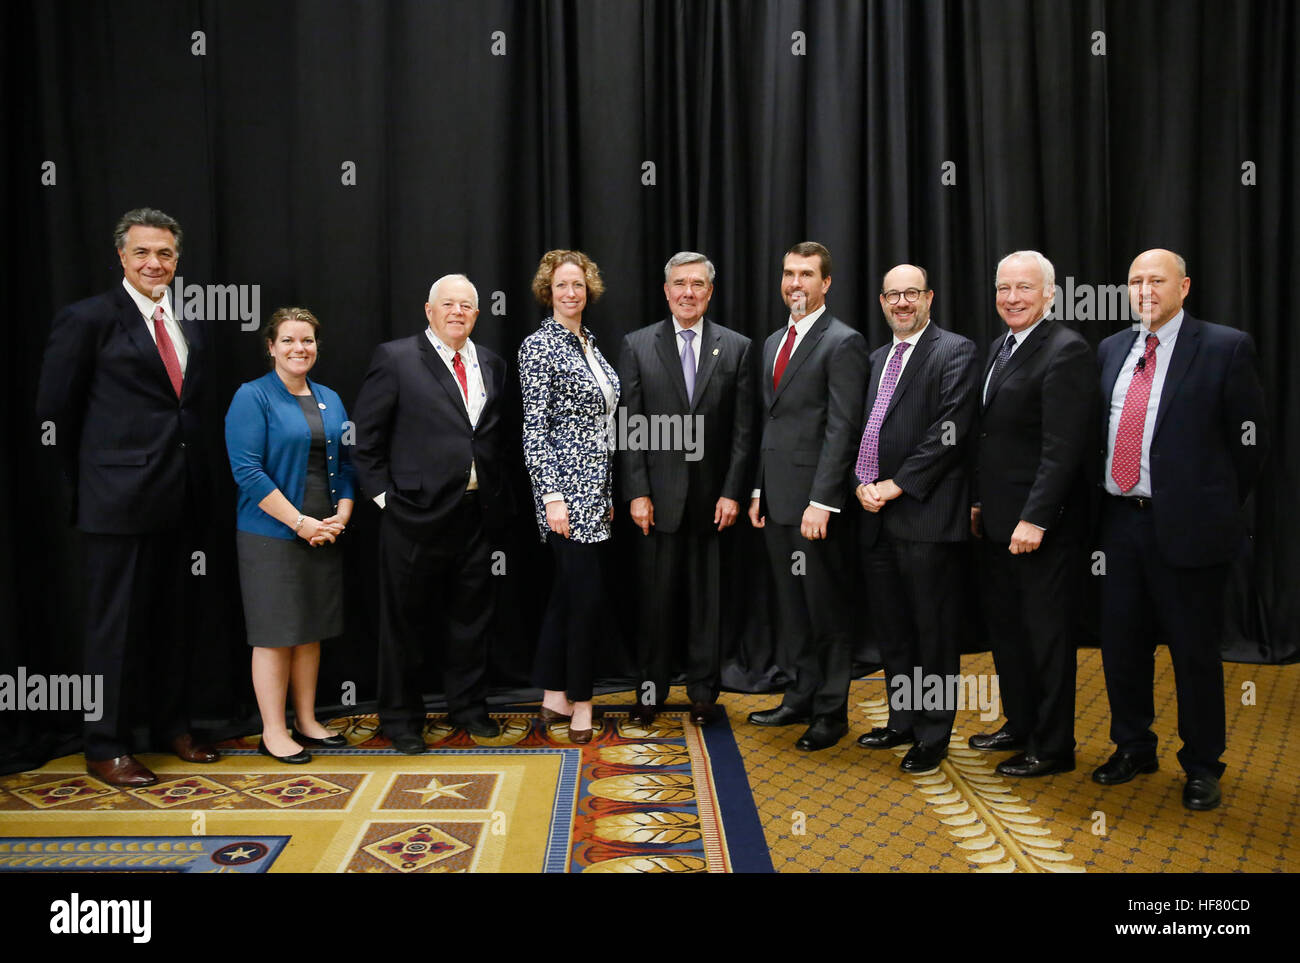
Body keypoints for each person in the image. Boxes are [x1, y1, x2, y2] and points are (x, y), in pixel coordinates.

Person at [35, 207, 219, 787]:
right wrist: (93, 482)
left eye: (164, 253)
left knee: (174, 620)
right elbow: (53, 411)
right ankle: (105, 744)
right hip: (115, 502)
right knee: (112, 628)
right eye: (142, 252)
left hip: (181, 497)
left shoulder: (192, 319)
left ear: (177, 259)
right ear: (121, 256)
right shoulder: (87, 318)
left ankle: (172, 726)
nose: (154, 263)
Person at [1093, 249, 1267, 811]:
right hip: (1119, 525)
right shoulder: (1111, 349)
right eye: (1135, 280)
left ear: (1184, 286)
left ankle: (1201, 764)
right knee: (1121, 647)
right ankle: (1133, 746)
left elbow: (1249, 446)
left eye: (1156, 280)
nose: (1145, 289)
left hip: (1189, 530)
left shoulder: (1224, 346)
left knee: (1193, 654)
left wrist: (1209, 504)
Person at [352, 274, 513, 753]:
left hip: (475, 513)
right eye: (448, 304)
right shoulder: (396, 358)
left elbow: (490, 437)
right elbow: (365, 440)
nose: (457, 312)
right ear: (429, 310)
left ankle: (468, 707)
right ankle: (401, 719)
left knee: (471, 618)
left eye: (466, 305)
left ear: (477, 315)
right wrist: (386, 500)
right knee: (405, 621)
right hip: (413, 516)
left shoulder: (492, 363)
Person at [969, 250, 1095, 777]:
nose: (1012, 298)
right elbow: (991, 437)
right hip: (996, 521)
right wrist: (978, 502)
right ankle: (1019, 724)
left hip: (1039, 528)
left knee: (1045, 639)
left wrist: (1036, 518)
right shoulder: (1000, 345)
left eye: (1024, 288)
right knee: (1008, 633)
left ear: (1050, 294)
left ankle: (1053, 744)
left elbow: (1062, 448)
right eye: (1004, 288)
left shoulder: (1066, 350)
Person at [617, 252, 755, 726]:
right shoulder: (637, 346)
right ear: (666, 290)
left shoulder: (737, 348)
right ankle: (650, 693)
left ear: (710, 292)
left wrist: (733, 491)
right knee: (655, 606)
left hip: (713, 502)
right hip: (656, 501)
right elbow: (630, 426)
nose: (688, 292)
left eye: (698, 284)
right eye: (680, 283)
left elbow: (743, 430)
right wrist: (637, 491)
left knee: (707, 606)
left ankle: (702, 693)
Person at [852, 264, 979, 773]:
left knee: (933, 633)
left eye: (911, 293)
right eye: (892, 295)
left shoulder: (956, 350)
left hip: (926, 516)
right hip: (875, 517)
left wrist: (895, 484)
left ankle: (933, 732)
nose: (902, 303)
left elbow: (950, 431)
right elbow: (870, 426)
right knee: (894, 629)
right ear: (882, 302)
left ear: (929, 297)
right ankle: (902, 718)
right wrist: (861, 483)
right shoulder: (878, 357)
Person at [747, 242, 869, 752]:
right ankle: (799, 695)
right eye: (789, 273)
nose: (795, 283)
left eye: (806, 274)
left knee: (824, 611)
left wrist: (823, 501)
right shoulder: (775, 340)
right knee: (792, 608)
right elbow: (769, 422)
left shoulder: (844, 342)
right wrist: (757, 487)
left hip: (816, 507)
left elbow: (843, 429)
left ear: (826, 283)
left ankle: (830, 711)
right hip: (776, 499)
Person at [224, 307, 355, 764]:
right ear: (271, 347)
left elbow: (347, 464)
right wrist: (299, 522)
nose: (300, 348)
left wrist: (342, 513)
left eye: (308, 341)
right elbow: (248, 472)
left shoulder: (330, 398)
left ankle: (307, 720)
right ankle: (273, 730)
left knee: (309, 631)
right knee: (276, 633)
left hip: (323, 531)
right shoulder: (252, 397)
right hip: (272, 534)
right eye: (289, 340)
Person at [519, 250, 621, 745]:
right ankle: (583, 703)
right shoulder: (539, 346)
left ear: (589, 289)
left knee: (566, 596)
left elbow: (601, 425)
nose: (571, 292)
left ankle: (553, 695)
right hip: (563, 495)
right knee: (586, 599)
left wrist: (606, 492)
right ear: (548, 291)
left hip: (594, 492)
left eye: (578, 284)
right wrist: (552, 497)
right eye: (562, 285)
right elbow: (535, 430)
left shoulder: (590, 346)